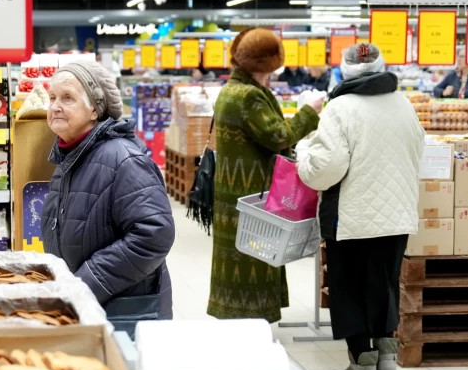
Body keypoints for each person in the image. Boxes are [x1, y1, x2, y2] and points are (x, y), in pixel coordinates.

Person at [297, 43, 424, 370]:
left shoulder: (340, 108)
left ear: (345, 70)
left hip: (351, 217)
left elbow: (326, 169)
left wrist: (303, 154)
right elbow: (419, 152)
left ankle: (361, 364)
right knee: (384, 283)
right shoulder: (404, 104)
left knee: (349, 286)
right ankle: (385, 358)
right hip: (397, 215)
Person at [41, 61, 175, 333]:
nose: (55, 106)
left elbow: (154, 234)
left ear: (95, 108)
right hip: (92, 308)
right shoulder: (72, 156)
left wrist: (87, 283)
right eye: (52, 97)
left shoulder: (123, 159)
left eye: (67, 98)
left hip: (125, 314)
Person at [208, 28, 322, 322]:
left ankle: (242, 319)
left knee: (241, 256)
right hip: (250, 194)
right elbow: (279, 135)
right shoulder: (248, 97)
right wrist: (309, 112)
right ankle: (250, 322)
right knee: (254, 258)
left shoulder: (232, 90)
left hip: (234, 191)